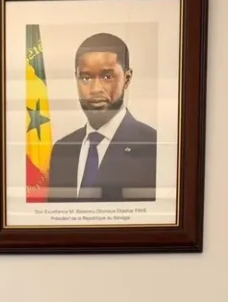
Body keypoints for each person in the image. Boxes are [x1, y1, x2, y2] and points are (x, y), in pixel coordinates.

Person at [48, 33, 158, 203]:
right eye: (86, 78)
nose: (95, 89)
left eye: (107, 76)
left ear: (127, 79)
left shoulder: (152, 146)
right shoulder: (62, 150)